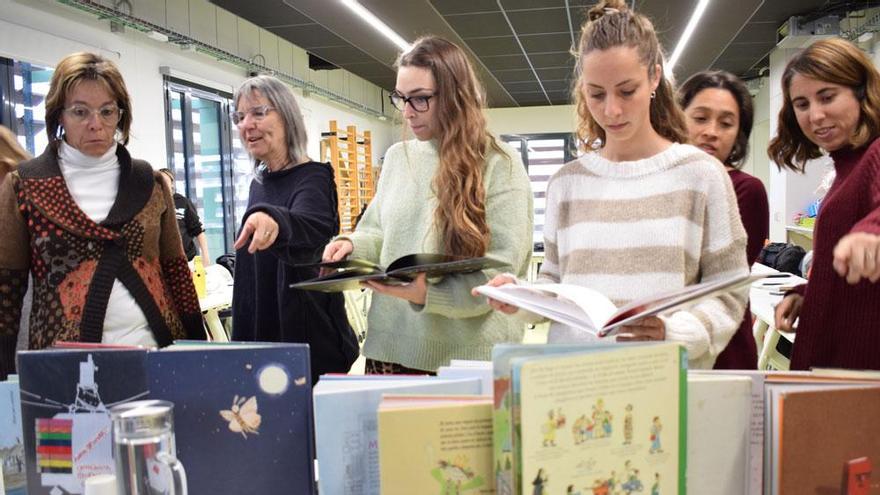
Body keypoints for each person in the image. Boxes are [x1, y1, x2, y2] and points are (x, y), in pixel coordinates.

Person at [481, 0, 749, 369]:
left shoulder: (701, 175)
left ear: (655, 77)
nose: (611, 110)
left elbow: (730, 290)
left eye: (627, 91)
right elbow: (556, 280)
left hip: (660, 383)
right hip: (573, 379)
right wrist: (524, 298)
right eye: (596, 94)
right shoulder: (567, 183)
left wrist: (676, 332)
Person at [321, 36, 533, 374]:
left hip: (466, 362)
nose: (407, 113)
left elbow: (499, 271)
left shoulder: (499, 165)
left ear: (455, 96)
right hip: (389, 350)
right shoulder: (397, 157)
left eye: (420, 100)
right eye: (401, 98)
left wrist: (427, 296)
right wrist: (350, 245)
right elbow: (376, 230)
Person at [0, 52, 205, 378]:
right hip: (64, 371)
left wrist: (200, 353)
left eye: (107, 111)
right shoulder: (26, 185)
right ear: (59, 115)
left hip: (157, 357)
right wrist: (5, 379)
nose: (96, 124)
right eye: (80, 111)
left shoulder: (148, 182)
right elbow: (6, 291)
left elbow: (176, 271)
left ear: (121, 115)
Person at [230, 75, 358, 384]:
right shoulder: (258, 183)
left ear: (287, 117)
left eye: (259, 113)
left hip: (305, 339)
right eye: (241, 116)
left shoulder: (313, 177)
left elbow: (312, 225)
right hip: (263, 337)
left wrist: (273, 220)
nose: (248, 124)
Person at [768, 38, 880, 370]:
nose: (815, 115)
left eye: (827, 97)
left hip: (859, 376)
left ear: (861, 92)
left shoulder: (874, 154)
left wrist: (870, 233)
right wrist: (810, 292)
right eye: (801, 104)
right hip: (836, 368)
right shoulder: (847, 164)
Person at [679, 70, 769, 369]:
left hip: (722, 346)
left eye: (726, 123)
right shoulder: (661, 184)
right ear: (679, 119)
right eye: (700, 118)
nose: (712, 131)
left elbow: (719, 280)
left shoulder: (746, 189)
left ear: (738, 133)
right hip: (663, 345)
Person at [157, 168, 211, 264]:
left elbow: (198, 231)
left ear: (172, 184)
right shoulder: (152, 205)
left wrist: (206, 257)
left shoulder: (183, 202)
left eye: (165, 181)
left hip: (187, 259)